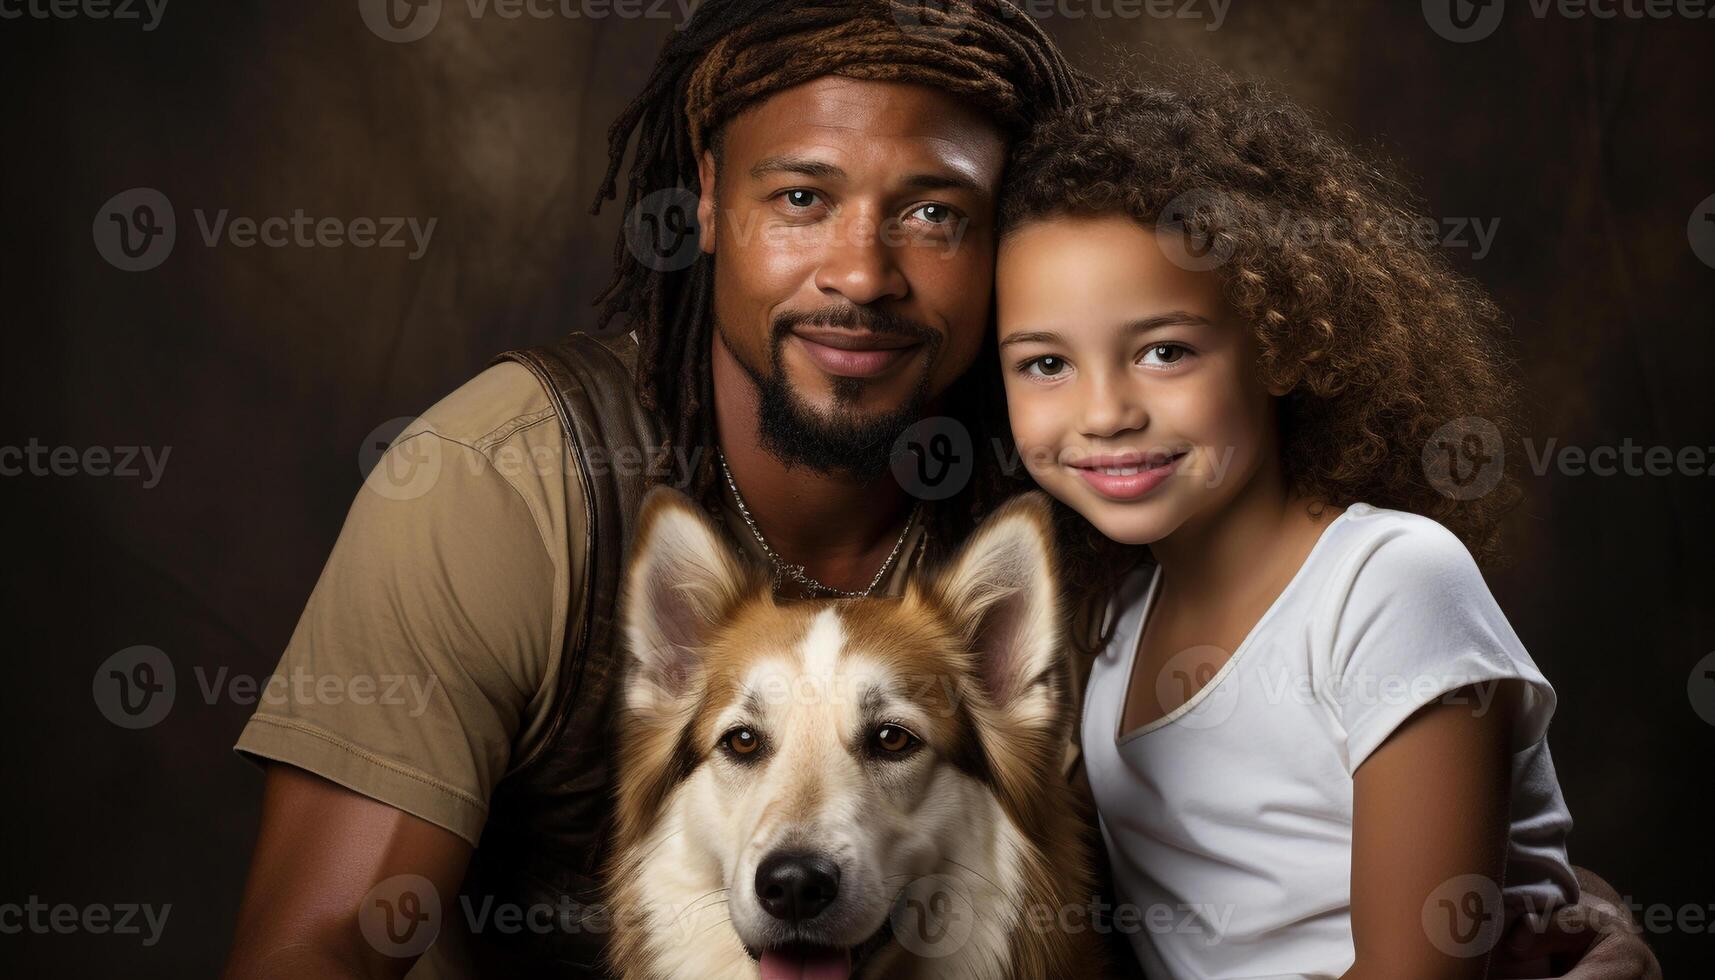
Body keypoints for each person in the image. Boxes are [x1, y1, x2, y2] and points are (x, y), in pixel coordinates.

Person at [221, 3, 1655, 978]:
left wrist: (1544, 914)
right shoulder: (509, 477)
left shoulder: (1077, 480)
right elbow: (318, 951)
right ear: (703, 204)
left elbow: (1266, 815)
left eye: (931, 212)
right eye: (801, 199)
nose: (860, 269)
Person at [991, 75, 1656, 978]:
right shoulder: (1110, 623)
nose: (1104, 411)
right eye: (1043, 364)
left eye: (1164, 351)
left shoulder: (1387, 583)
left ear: (1283, 340)